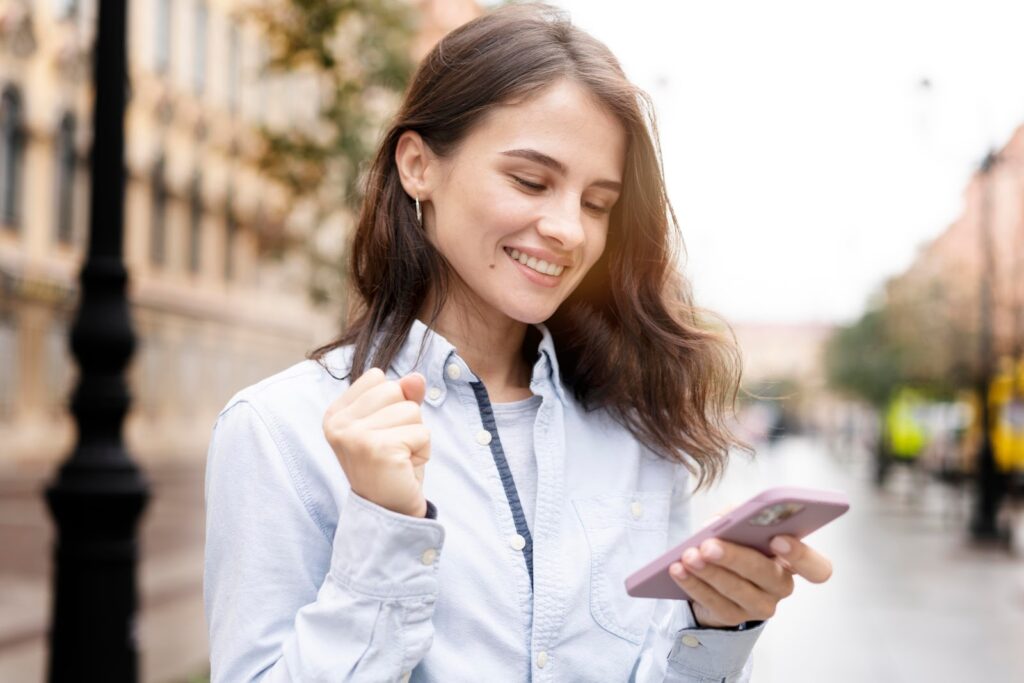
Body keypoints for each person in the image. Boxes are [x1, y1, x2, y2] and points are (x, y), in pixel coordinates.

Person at [203, 4, 834, 681]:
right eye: (530, 180)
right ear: (418, 165)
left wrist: (713, 625)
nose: (569, 228)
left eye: (597, 203)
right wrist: (384, 525)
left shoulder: (640, 427)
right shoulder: (280, 431)